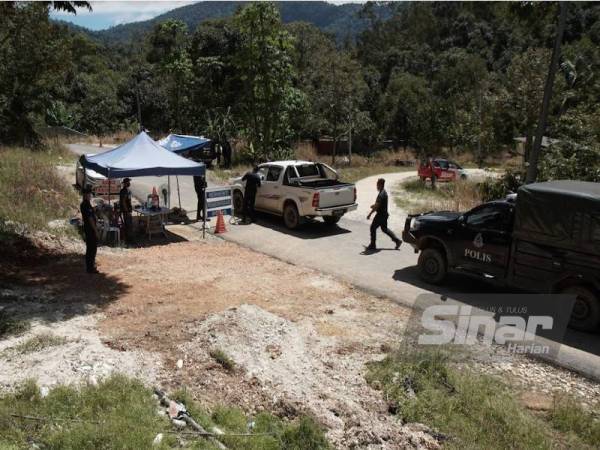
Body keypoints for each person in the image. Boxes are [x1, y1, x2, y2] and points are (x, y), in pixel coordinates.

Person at [367, 178, 401, 251]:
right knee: (384, 229)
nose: (377, 186)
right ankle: (397, 241)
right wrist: (374, 205)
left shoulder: (381, 194)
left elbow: (377, 206)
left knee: (372, 228)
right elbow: (378, 204)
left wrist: (370, 214)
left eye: (377, 184)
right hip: (384, 214)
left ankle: (373, 245)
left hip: (380, 215)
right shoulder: (383, 192)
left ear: (380, 184)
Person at [80, 187, 99, 274]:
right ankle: (90, 268)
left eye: (90, 194)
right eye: (88, 194)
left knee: (92, 248)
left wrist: (94, 210)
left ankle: (91, 266)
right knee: (91, 249)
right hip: (90, 230)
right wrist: (95, 230)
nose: (90, 195)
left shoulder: (87, 204)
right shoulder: (85, 204)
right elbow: (90, 219)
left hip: (90, 229)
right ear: (85, 194)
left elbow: (91, 214)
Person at [119, 177, 133, 242]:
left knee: (129, 224)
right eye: (128, 182)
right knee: (128, 225)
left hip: (128, 210)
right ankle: (128, 239)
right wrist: (127, 211)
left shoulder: (128, 190)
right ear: (125, 183)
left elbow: (128, 201)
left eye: (129, 182)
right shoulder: (124, 191)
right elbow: (123, 202)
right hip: (126, 211)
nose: (129, 183)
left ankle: (129, 238)